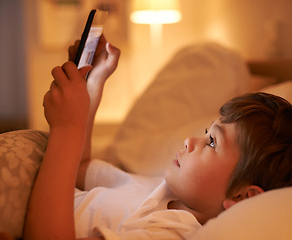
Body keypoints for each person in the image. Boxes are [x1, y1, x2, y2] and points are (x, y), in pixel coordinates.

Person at [23, 36, 292, 240]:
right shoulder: (159, 188)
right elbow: (81, 170)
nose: (190, 140)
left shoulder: (169, 232)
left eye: (212, 142)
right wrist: (92, 88)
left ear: (244, 197)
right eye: (205, 133)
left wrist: (66, 130)